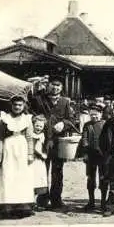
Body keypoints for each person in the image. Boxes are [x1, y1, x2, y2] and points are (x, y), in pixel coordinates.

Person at [0, 95, 35, 218]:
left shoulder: (27, 119)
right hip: (8, 148)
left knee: (21, 176)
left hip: (22, 148)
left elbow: (29, 138)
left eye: (20, 105)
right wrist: (0, 154)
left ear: (23, 106)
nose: (17, 107)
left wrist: (30, 153)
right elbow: (1, 138)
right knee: (8, 175)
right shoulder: (5, 118)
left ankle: (22, 205)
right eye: (15, 105)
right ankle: (7, 205)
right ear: (11, 106)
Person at [30, 77, 75, 211]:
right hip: (42, 140)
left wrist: (64, 124)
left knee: (57, 171)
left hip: (57, 142)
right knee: (41, 170)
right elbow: (31, 114)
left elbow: (71, 120)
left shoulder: (65, 101)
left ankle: (56, 200)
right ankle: (41, 200)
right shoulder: (39, 99)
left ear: (61, 88)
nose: (55, 88)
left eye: (58, 85)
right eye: (53, 85)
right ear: (48, 86)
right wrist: (38, 121)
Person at [79, 104, 106, 212]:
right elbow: (84, 139)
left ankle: (103, 202)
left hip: (103, 156)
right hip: (91, 156)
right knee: (91, 179)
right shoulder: (87, 125)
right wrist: (85, 152)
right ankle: (91, 202)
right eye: (92, 115)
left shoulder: (105, 124)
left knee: (103, 179)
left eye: (96, 115)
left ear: (101, 114)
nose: (94, 117)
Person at [30, 115, 49, 210]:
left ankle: (36, 202)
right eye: (37, 125)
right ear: (33, 125)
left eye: (41, 126)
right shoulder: (30, 135)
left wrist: (44, 154)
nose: (38, 128)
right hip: (32, 160)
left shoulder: (42, 136)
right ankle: (30, 202)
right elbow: (33, 148)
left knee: (39, 180)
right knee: (31, 180)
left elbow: (43, 147)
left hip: (39, 162)